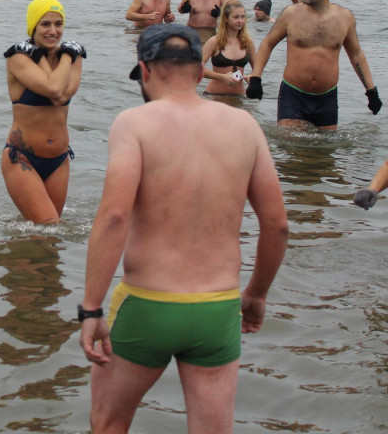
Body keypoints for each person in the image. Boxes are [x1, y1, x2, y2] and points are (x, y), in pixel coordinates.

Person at [79, 23, 287, 434]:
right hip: (219, 308)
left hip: (148, 303)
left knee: (109, 424)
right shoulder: (245, 128)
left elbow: (115, 216)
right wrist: (257, 293)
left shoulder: (133, 123)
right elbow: (277, 225)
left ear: (145, 69)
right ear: (198, 71)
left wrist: (91, 309)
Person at [247, 0, 381, 129]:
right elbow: (267, 44)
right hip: (294, 93)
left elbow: (356, 55)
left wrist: (371, 91)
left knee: (325, 151)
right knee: (292, 146)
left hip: (327, 96)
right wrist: (256, 78)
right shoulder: (291, 14)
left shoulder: (344, 18)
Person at [1, 0, 85, 223]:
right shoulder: (18, 58)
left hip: (59, 160)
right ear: (33, 27)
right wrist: (67, 54)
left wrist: (65, 56)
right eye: (45, 24)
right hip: (22, 158)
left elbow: (64, 96)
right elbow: (54, 89)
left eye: (58, 24)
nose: (53, 31)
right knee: (49, 226)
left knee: (48, 239)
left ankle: (17, 254)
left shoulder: (73, 60)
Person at [201, 0, 256, 95]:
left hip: (239, 97)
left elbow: (257, 68)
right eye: (236, 17)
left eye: (242, 17)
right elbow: (196, 68)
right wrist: (222, 77)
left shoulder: (247, 42)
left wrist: (253, 77)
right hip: (215, 96)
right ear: (225, 18)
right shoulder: (214, 42)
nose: (240, 21)